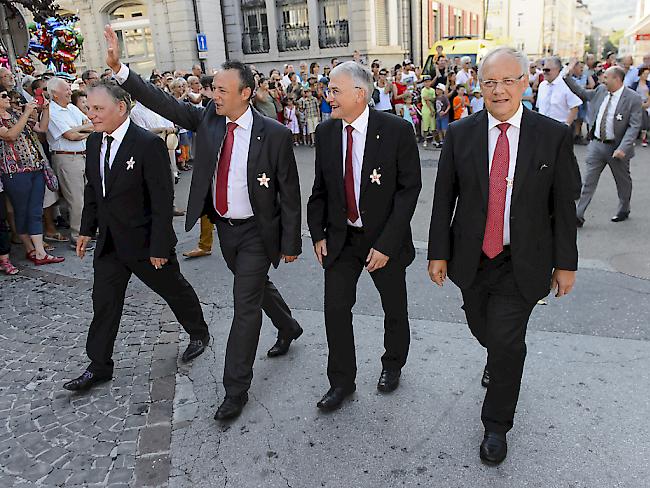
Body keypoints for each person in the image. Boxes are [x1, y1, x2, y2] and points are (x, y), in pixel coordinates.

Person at [105, 26, 303, 421]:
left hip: (256, 232)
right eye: (213, 89)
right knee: (256, 287)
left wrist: (290, 242)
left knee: (243, 304)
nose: (214, 95)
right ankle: (288, 326)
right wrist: (121, 70)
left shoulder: (275, 134)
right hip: (225, 228)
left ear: (246, 93)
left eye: (222, 90)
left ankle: (235, 389)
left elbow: (289, 191)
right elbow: (163, 103)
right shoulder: (209, 119)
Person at [428, 46, 579, 465]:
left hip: (523, 260)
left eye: (509, 80)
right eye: (490, 81)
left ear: (525, 82)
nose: (499, 90)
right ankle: (495, 357)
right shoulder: (460, 134)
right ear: (479, 84)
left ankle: (496, 425)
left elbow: (564, 208)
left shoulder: (552, 136)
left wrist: (566, 264)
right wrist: (438, 253)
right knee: (485, 330)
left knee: (508, 341)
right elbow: (444, 200)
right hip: (472, 258)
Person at [62, 80, 210, 392]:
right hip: (110, 243)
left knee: (174, 289)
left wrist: (160, 245)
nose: (92, 115)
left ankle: (198, 332)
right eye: (89, 108)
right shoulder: (93, 142)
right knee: (104, 303)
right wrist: (87, 229)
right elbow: (95, 190)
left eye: (98, 109)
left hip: (145, 242)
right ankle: (99, 365)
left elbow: (161, 201)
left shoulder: (146, 144)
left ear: (120, 108)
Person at [307, 61, 422, 412]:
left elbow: (408, 190)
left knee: (394, 308)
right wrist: (317, 234)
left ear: (360, 93)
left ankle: (393, 364)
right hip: (341, 241)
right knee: (336, 310)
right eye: (328, 90)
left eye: (334, 90)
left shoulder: (396, 130)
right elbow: (320, 191)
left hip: (383, 242)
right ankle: (341, 381)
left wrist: (387, 244)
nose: (328, 97)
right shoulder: (326, 133)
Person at [564, 61, 643, 225]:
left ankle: (624, 208)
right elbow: (582, 93)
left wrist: (623, 148)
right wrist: (567, 77)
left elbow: (634, 126)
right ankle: (578, 215)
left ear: (617, 79)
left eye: (606, 77)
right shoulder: (601, 91)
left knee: (623, 182)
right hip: (597, 145)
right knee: (588, 182)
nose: (602, 80)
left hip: (618, 148)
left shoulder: (633, 98)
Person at [0, 92, 64, 266]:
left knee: (36, 211)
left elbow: (41, 129)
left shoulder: (15, 115)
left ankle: (40, 252)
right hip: (14, 172)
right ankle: (30, 248)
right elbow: (10, 135)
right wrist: (27, 113)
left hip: (36, 168)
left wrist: (46, 109)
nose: (8, 99)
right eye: (3, 96)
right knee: (22, 211)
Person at [46, 76, 94, 250]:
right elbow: (70, 136)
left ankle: (87, 231)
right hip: (66, 157)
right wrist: (82, 130)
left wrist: (80, 130)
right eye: (66, 89)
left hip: (82, 154)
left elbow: (91, 123)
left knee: (89, 195)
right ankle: (77, 236)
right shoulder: (51, 111)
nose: (69, 91)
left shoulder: (72, 108)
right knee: (76, 199)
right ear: (54, 94)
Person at [536, 56, 582, 125]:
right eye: (543, 70)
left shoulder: (567, 84)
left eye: (547, 70)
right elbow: (539, 107)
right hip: (542, 126)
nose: (544, 72)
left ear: (557, 69)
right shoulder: (542, 85)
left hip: (560, 126)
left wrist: (567, 125)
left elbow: (574, 107)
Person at [420, 75, 436, 146]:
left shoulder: (432, 90)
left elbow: (433, 99)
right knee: (426, 126)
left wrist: (430, 99)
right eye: (425, 82)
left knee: (433, 126)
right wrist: (431, 110)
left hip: (432, 109)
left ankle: (434, 140)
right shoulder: (423, 90)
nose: (427, 83)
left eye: (429, 81)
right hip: (426, 109)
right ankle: (425, 140)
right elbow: (426, 100)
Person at [434, 83, 450, 148]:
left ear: (442, 90)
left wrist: (445, 112)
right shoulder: (436, 97)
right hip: (438, 115)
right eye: (436, 89)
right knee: (439, 129)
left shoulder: (444, 97)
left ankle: (446, 141)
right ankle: (441, 141)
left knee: (444, 129)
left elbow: (448, 105)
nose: (437, 91)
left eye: (438, 89)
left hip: (444, 116)